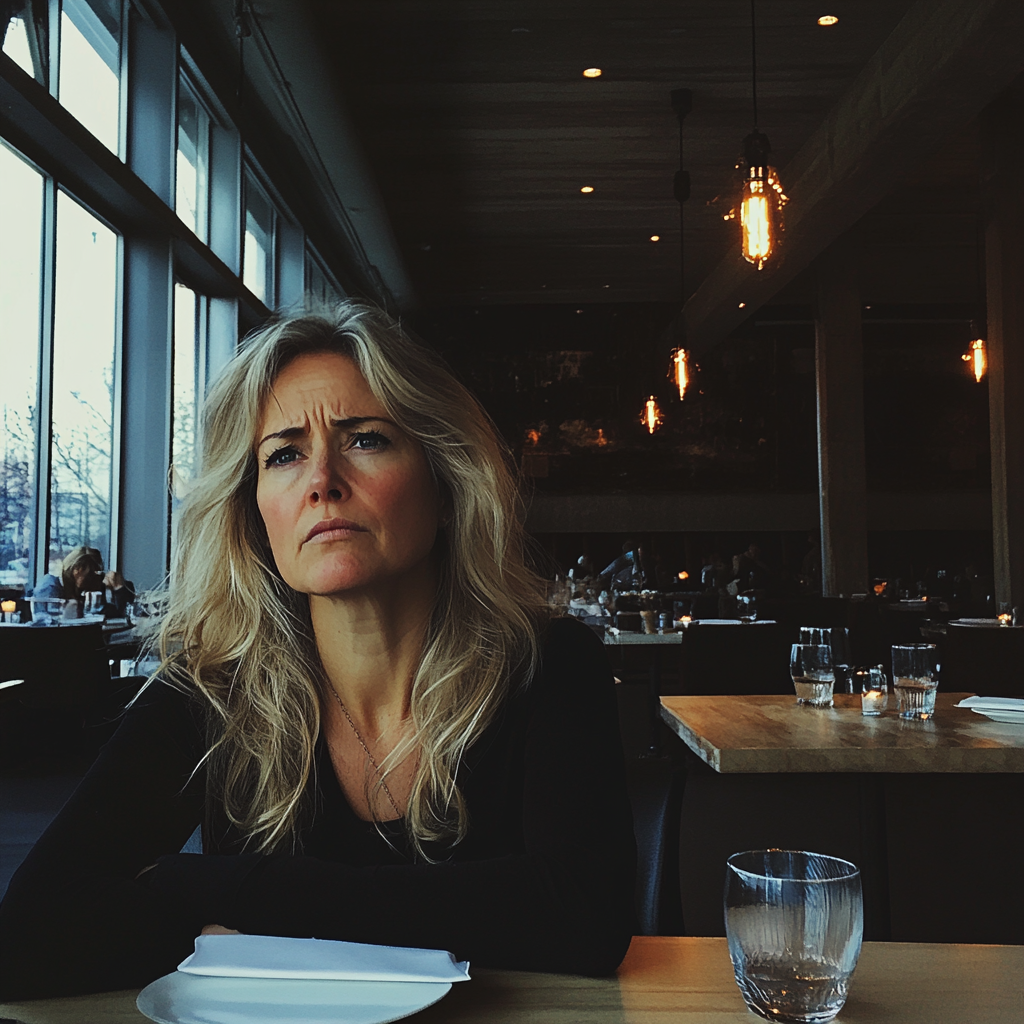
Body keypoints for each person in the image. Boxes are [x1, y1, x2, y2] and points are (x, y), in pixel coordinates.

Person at [0, 304, 636, 999]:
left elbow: (585, 919)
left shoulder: (546, 664)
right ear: (253, 512)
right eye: (284, 454)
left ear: (446, 482)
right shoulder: (212, 688)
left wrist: (220, 889)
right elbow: (28, 936)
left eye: (365, 440)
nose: (322, 480)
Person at [32, 546, 135, 618]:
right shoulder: (49, 588)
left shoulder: (77, 590)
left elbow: (119, 613)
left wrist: (119, 589)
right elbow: (51, 625)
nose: (94, 579)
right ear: (77, 569)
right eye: (90, 574)